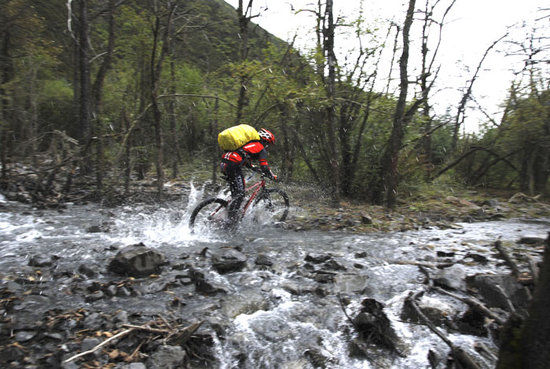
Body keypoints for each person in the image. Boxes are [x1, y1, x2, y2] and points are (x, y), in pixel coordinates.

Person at [220, 128, 277, 227]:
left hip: (225, 163)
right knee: (241, 194)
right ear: (265, 141)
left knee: (236, 195)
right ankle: (230, 223)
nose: (267, 147)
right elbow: (264, 166)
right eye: (268, 144)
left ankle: (227, 217)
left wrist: (254, 168)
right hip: (233, 165)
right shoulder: (260, 148)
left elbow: (244, 159)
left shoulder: (246, 145)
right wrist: (271, 175)